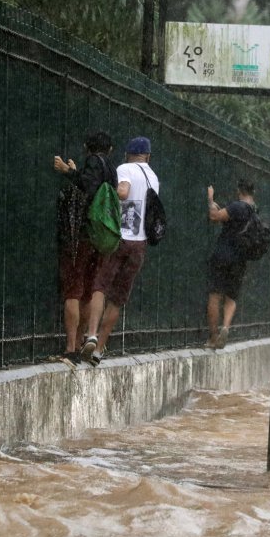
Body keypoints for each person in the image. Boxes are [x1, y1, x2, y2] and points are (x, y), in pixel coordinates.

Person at [80, 136, 159, 366]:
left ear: (127, 153)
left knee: (100, 286)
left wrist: (109, 192)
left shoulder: (124, 169)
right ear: (148, 156)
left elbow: (123, 192)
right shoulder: (153, 177)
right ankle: (100, 349)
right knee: (118, 298)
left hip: (119, 239)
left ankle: (91, 334)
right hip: (140, 244)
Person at [53, 130, 117, 369]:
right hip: (101, 238)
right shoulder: (111, 168)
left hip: (82, 235)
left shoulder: (93, 162)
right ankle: (83, 343)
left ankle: (70, 349)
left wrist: (67, 171)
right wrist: (77, 171)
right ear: (109, 150)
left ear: (86, 146)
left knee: (73, 289)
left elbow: (88, 187)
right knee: (89, 291)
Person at [205, 179, 257, 349]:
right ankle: (226, 327)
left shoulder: (237, 207)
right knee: (231, 297)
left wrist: (211, 200)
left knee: (215, 295)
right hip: (240, 259)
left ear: (239, 191)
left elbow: (214, 216)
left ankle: (213, 337)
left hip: (223, 255)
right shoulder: (254, 211)